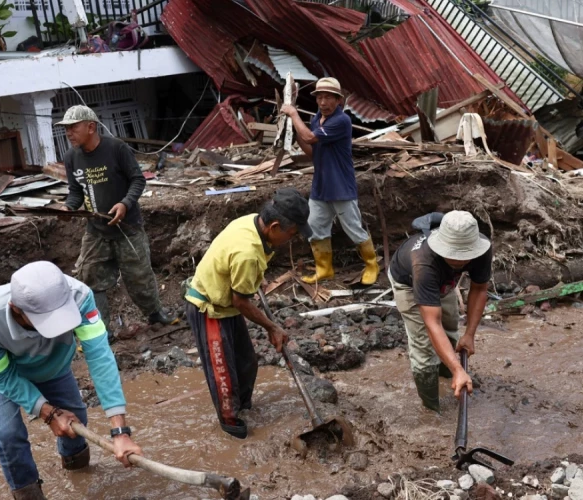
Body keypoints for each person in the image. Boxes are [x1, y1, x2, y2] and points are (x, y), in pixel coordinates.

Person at [0, 261, 143, 500]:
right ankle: (29, 494)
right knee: (9, 434)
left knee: (75, 417)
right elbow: (3, 376)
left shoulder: (80, 296)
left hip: (51, 360)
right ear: (16, 309)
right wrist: (47, 413)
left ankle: (78, 475)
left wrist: (120, 432)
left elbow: (100, 356)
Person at [184, 188, 312, 438]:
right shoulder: (247, 252)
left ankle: (243, 407)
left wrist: (253, 278)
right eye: (292, 233)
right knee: (224, 375)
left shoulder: (252, 222)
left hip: (228, 301)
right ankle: (232, 426)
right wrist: (272, 327)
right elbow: (241, 301)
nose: (292, 238)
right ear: (275, 227)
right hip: (210, 308)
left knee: (246, 363)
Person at [58, 104, 174, 327]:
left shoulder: (116, 148)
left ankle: (155, 314)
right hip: (96, 231)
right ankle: (102, 329)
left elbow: (137, 179)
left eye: (73, 127)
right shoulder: (71, 157)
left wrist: (124, 204)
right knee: (90, 278)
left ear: (91, 127)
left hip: (127, 228)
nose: (68, 133)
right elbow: (76, 192)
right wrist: (68, 208)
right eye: (66, 129)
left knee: (139, 276)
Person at [387, 211, 493, 412]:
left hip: (444, 280)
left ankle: (448, 374)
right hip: (408, 283)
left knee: (451, 328)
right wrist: (458, 368)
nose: (459, 260)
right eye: (453, 255)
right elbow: (432, 323)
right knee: (424, 349)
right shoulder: (423, 263)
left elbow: (479, 289)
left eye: (464, 256)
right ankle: (431, 407)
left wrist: (469, 335)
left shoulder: (482, 249)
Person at [281, 77, 380, 286]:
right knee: (314, 226)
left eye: (328, 98)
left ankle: (372, 266)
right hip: (321, 185)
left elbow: (310, 138)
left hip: (340, 185)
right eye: (320, 98)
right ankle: (324, 269)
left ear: (338, 100)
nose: (323, 102)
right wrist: (292, 134)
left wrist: (293, 114)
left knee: (353, 227)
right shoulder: (317, 119)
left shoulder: (341, 121)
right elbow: (313, 151)